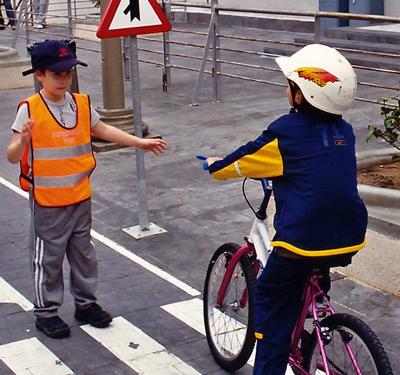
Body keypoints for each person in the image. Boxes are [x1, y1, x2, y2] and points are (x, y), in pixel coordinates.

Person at [205, 44, 368, 374]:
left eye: (290, 85)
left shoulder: (287, 133)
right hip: (349, 235)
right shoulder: (345, 132)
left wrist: (215, 165)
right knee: (313, 267)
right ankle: (320, 307)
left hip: (302, 239)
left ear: (299, 95)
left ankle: (273, 360)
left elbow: (241, 161)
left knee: (270, 300)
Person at [6, 39, 167, 339]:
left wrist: (139, 142)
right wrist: (23, 140)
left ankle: (86, 303)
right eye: (57, 74)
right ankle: (47, 311)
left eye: (68, 73)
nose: (64, 79)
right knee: (48, 257)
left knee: (84, 254)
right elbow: (12, 155)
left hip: (80, 197)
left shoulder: (80, 104)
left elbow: (103, 129)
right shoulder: (30, 110)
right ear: (39, 75)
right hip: (48, 201)